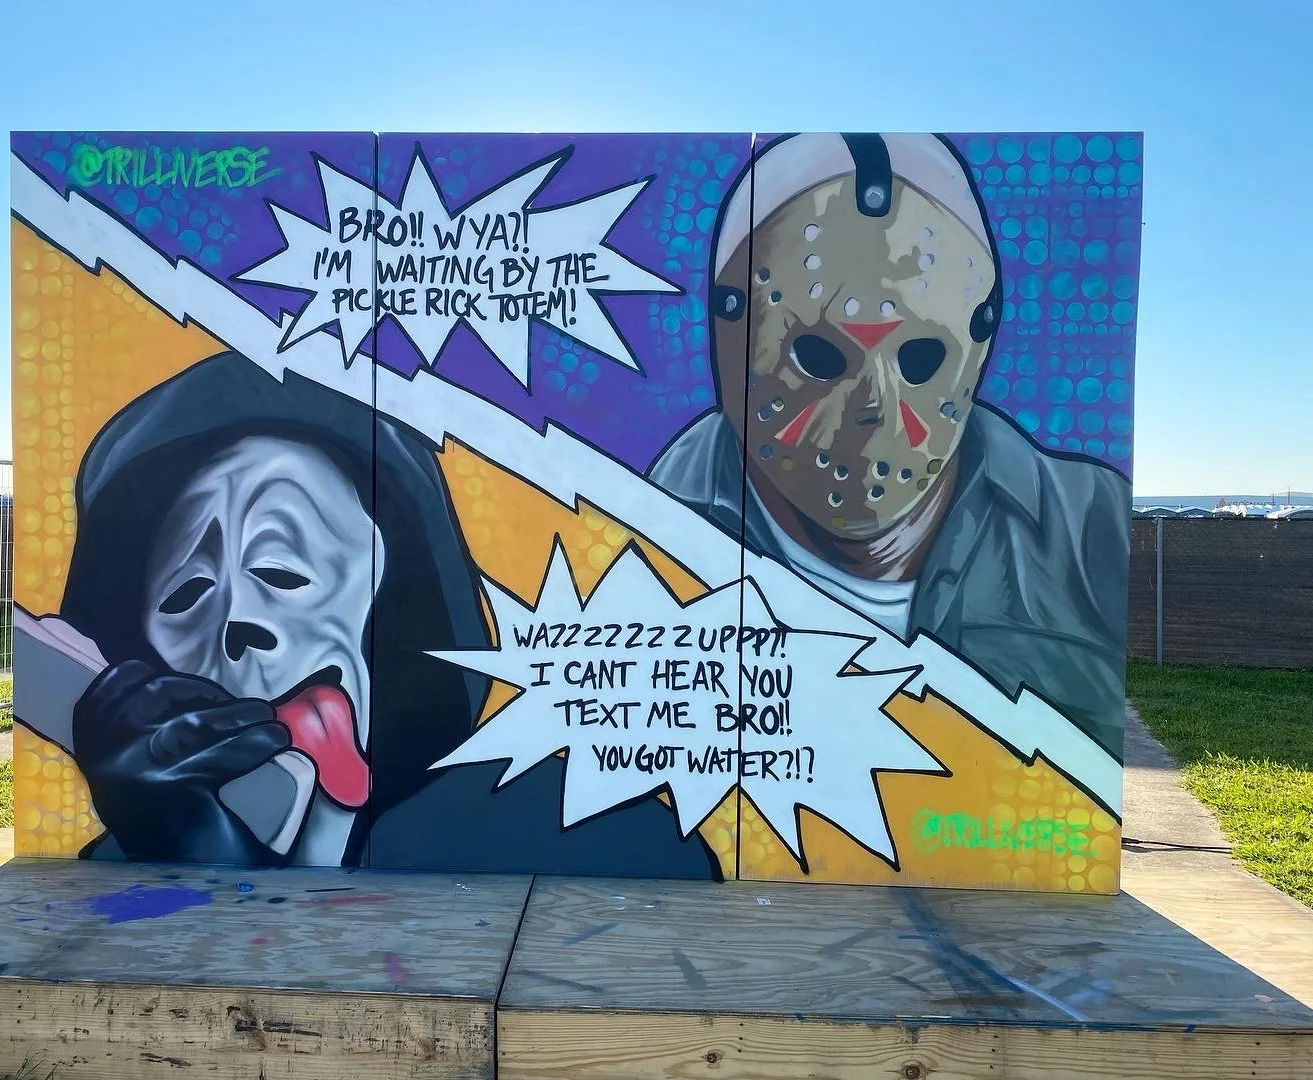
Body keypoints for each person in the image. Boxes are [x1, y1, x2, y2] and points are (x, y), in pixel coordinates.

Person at [61, 349, 719, 877]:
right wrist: (194, 859)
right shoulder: (141, 849)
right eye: (185, 594)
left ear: (397, 603)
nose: (236, 619)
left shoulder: (587, 832)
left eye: (284, 572)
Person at [649, 133, 1130, 758]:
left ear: (980, 344)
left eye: (919, 358)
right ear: (729, 340)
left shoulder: (1088, 531)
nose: (871, 409)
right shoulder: (639, 533)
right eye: (821, 357)